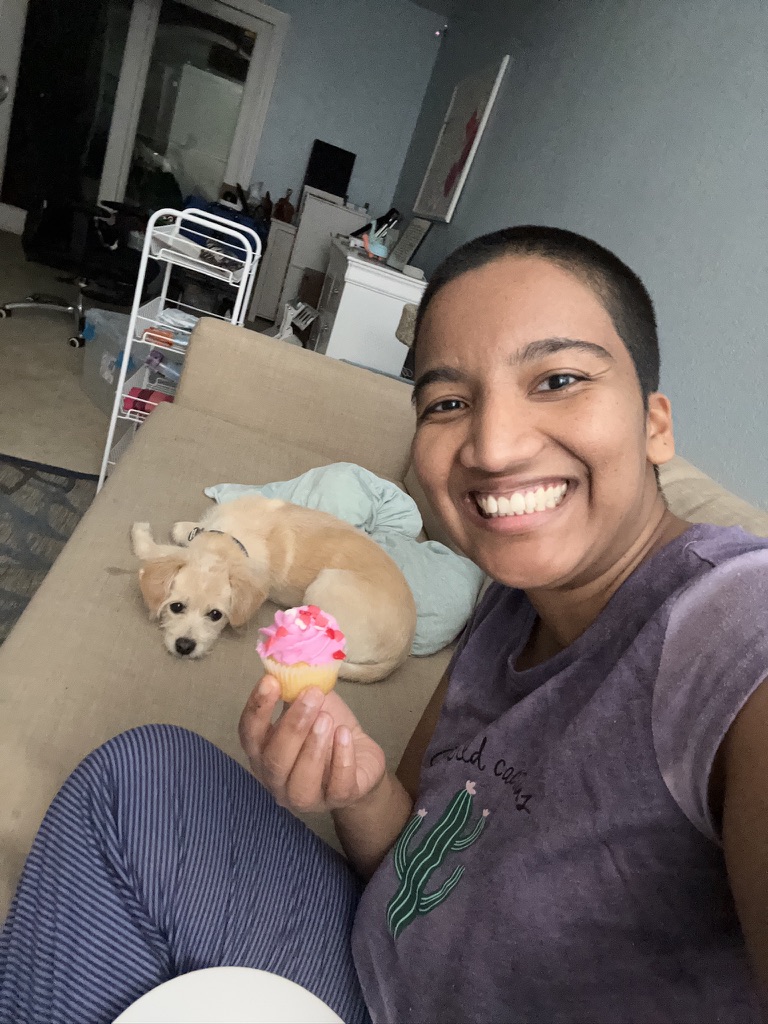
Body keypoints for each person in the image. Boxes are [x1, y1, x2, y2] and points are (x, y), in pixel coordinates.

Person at [2, 226, 768, 1024]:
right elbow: (411, 858)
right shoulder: (511, 601)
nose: (495, 446)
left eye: (559, 378)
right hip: (374, 966)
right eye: (449, 401)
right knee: (139, 782)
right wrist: (358, 786)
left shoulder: (735, 628)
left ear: (654, 425)